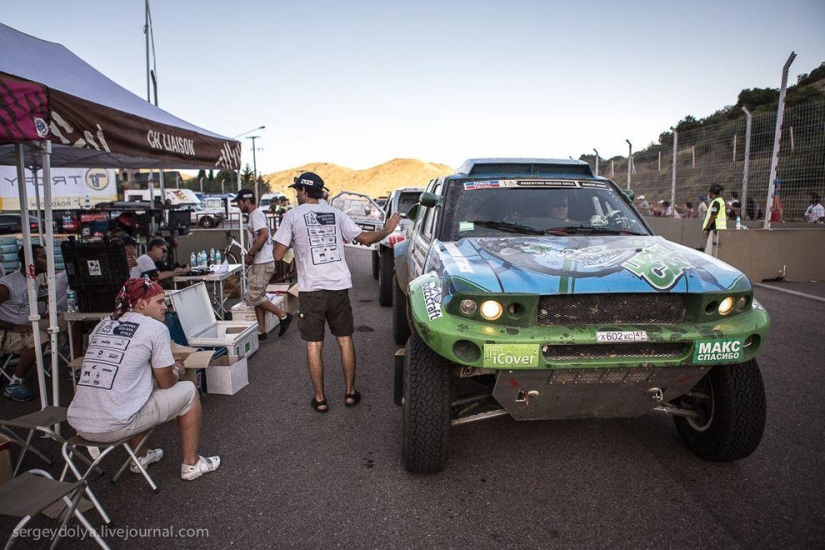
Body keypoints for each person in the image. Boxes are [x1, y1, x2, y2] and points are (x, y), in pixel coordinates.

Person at [67, 278, 221, 481]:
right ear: (141, 304)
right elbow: (167, 382)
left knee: (137, 388)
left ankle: (140, 457)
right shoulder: (155, 329)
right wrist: (176, 369)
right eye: (159, 302)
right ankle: (192, 464)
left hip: (79, 422)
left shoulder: (103, 324)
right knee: (189, 391)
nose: (165, 307)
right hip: (113, 426)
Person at [272, 172, 401, 413]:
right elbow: (364, 238)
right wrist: (386, 231)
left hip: (312, 290)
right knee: (344, 340)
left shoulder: (292, 216)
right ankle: (350, 393)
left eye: (296, 190)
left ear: (302, 191)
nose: (296, 194)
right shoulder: (336, 214)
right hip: (338, 287)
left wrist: (292, 244)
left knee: (314, 345)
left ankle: (320, 399)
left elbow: (278, 255)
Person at [232, 188, 292, 340]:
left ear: (246, 201)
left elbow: (264, 235)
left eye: (238, 202)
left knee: (254, 297)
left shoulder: (255, 214)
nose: (238, 206)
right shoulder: (256, 214)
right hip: (262, 261)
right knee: (259, 296)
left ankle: (283, 315)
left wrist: (251, 253)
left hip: (262, 262)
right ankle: (261, 330)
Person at [0, 245, 48, 401]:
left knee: (64, 321)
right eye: (43, 257)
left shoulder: (32, 280)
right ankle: (15, 382)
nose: (48, 261)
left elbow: (24, 303)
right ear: (30, 261)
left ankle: (76, 368)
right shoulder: (7, 285)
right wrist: (14, 326)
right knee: (40, 338)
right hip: (7, 332)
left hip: (26, 325)